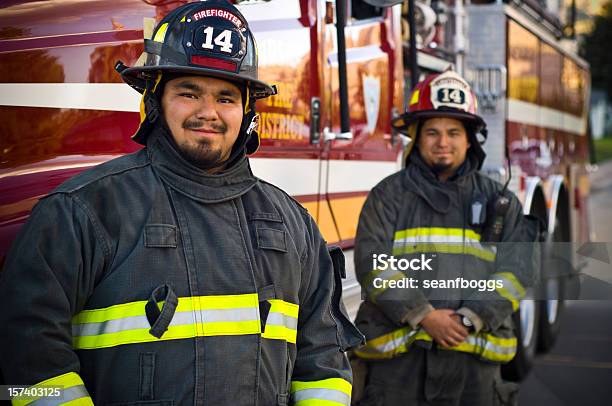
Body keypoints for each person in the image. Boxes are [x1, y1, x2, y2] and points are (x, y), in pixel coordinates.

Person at [0, 1, 363, 404]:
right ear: (155, 101)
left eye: (226, 98)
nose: (208, 112)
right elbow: (24, 359)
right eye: (188, 93)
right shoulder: (81, 211)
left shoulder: (293, 224)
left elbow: (324, 362)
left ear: (247, 112)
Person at [352, 70, 534, 406]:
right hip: (398, 370)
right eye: (432, 132)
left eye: (453, 132)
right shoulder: (387, 196)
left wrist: (470, 318)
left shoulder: (500, 202)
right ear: (417, 138)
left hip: (474, 367)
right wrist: (423, 315)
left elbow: (516, 272)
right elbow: (373, 264)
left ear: (470, 139)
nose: (443, 142)